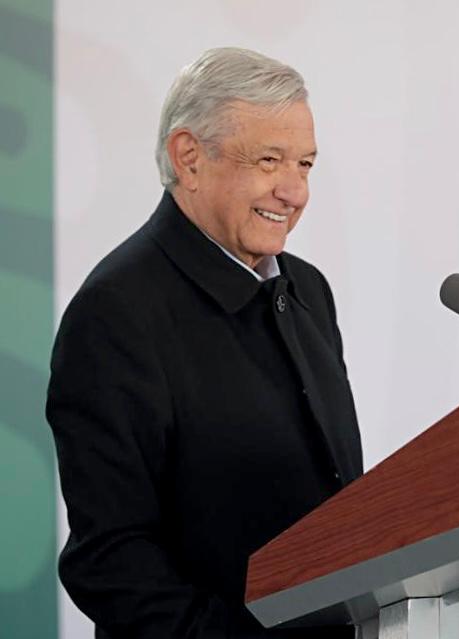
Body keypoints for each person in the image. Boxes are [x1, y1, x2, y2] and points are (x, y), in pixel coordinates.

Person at [46, 48, 363, 638]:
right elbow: (111, 561)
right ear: (189, 157)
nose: (294, 191)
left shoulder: (307, 290)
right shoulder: (116, 311)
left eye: (305, 165)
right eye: (269, 160)